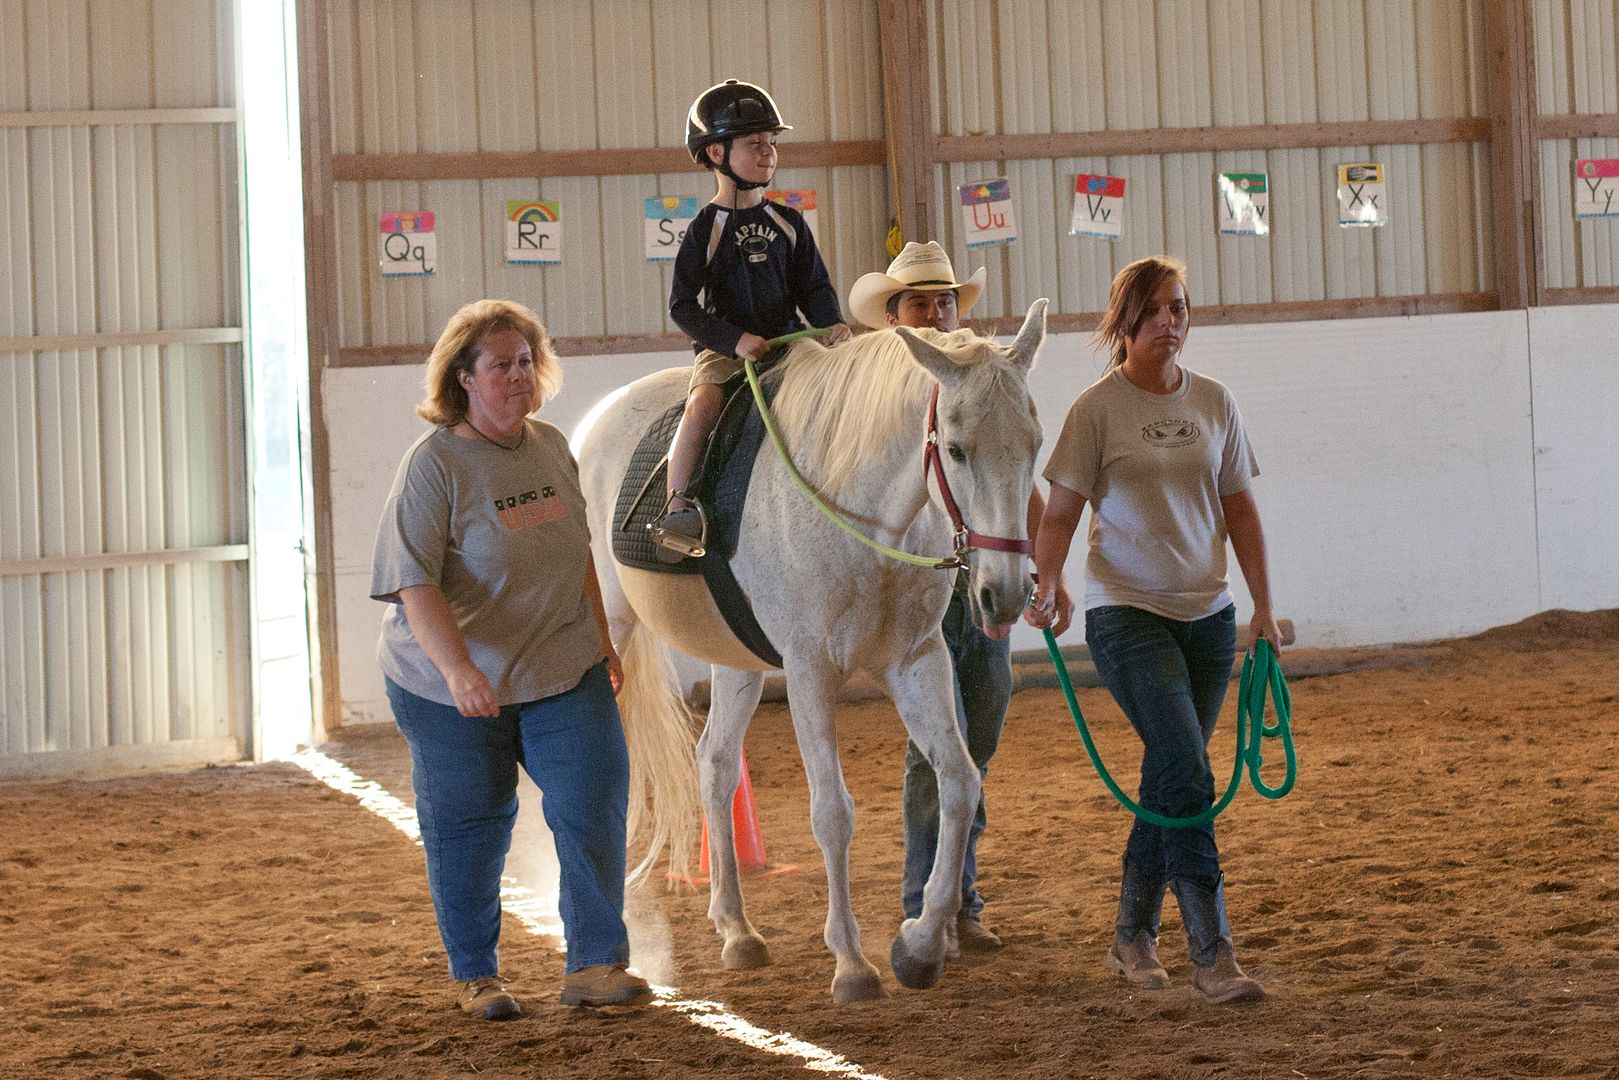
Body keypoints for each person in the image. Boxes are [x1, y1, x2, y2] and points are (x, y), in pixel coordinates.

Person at [370, 299, 653, 1018]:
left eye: (526, 361)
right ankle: (476, 975)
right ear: (463, 378)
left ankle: (595, 963)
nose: (519, 376)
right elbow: (413, 582)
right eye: (501, 365)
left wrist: (600, 637)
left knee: (592, 801)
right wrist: (460, 669)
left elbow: (574, 551)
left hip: (563, 665)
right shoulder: (434, 466)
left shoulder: (552, 445)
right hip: (448, 686)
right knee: (470, 823)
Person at [1026, 255, 1280, 1004]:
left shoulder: (1214, 401)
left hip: (1208, 617)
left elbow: (1240, 512)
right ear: (1127, 321)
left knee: (1170, 777)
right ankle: (1212, 952)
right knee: (1186, 771)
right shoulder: (1094, 410)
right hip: (1125, 613)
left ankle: (1131, 936)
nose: (1173, 321)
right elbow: (1063, 514)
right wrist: (1048, 582)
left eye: (1180, 307)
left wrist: (1262, 608)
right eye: (1159, 309)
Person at [848, 241, 1074, 955]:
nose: (937, 311)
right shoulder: (872, 398)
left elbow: (1013, 478)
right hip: (918, 587)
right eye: (920, 302)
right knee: (936, 747)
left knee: (976, 736)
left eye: (944, 300)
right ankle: (933, 901)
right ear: (895, 320)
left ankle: (957, 890)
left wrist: (1042, 570)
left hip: (975, 577)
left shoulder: (980, 379)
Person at [652, 78, 851, 560]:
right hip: (725, 354)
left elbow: (814, 288)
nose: (768, 153)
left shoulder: (790, 222)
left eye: (772, 143)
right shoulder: (704, 229)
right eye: (755, 143)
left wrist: (833, 324)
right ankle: (677, 508)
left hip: (792, 344)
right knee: (702, 405)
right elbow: (682, 305)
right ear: (717, 154)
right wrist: (733, 340)